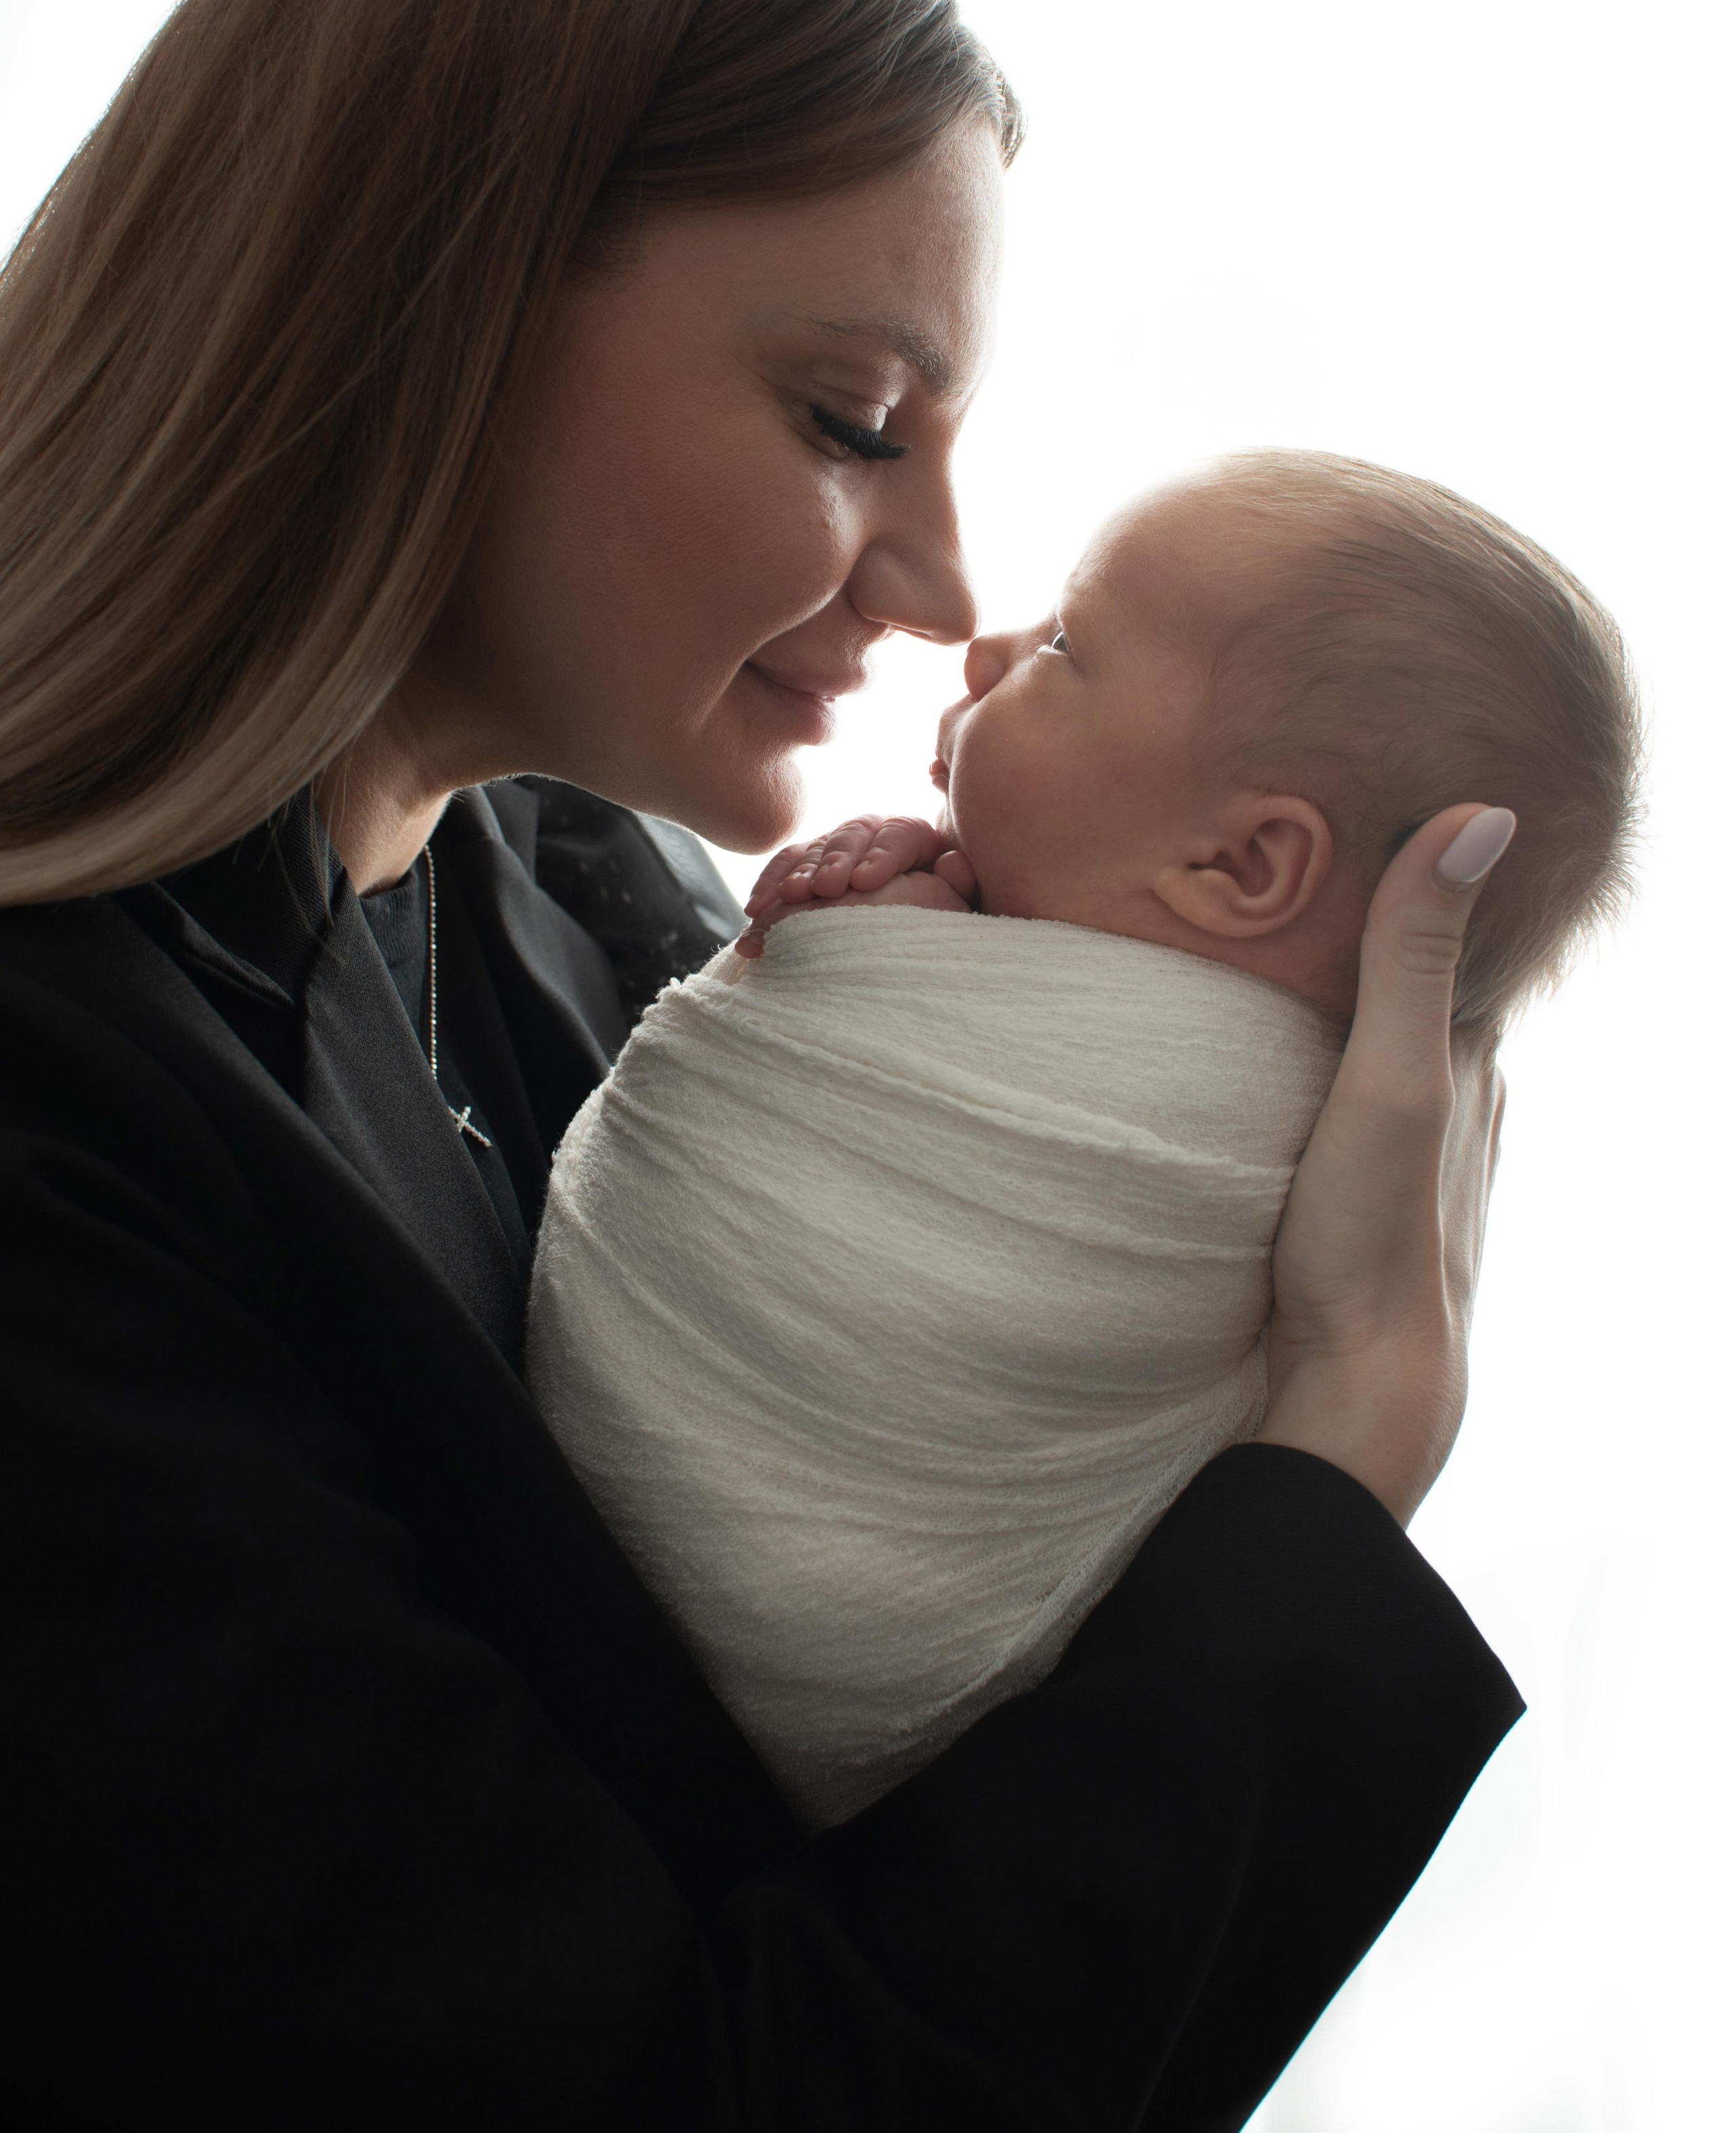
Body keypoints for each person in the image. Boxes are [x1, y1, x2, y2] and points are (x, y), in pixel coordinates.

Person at [0, 0, 1520, 2128]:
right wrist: (1341, 1441)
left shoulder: (583, 905)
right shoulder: (55, 1150)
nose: (945, 586)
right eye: (849, 415)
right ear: (432, 304)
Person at [528, 450, 1639, 1832]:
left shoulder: (1250, 1127)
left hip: (857, 1685)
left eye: (1064, 645)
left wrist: (856, 938)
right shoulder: (1037, 981)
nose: (983, 644)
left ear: (1240, 867)